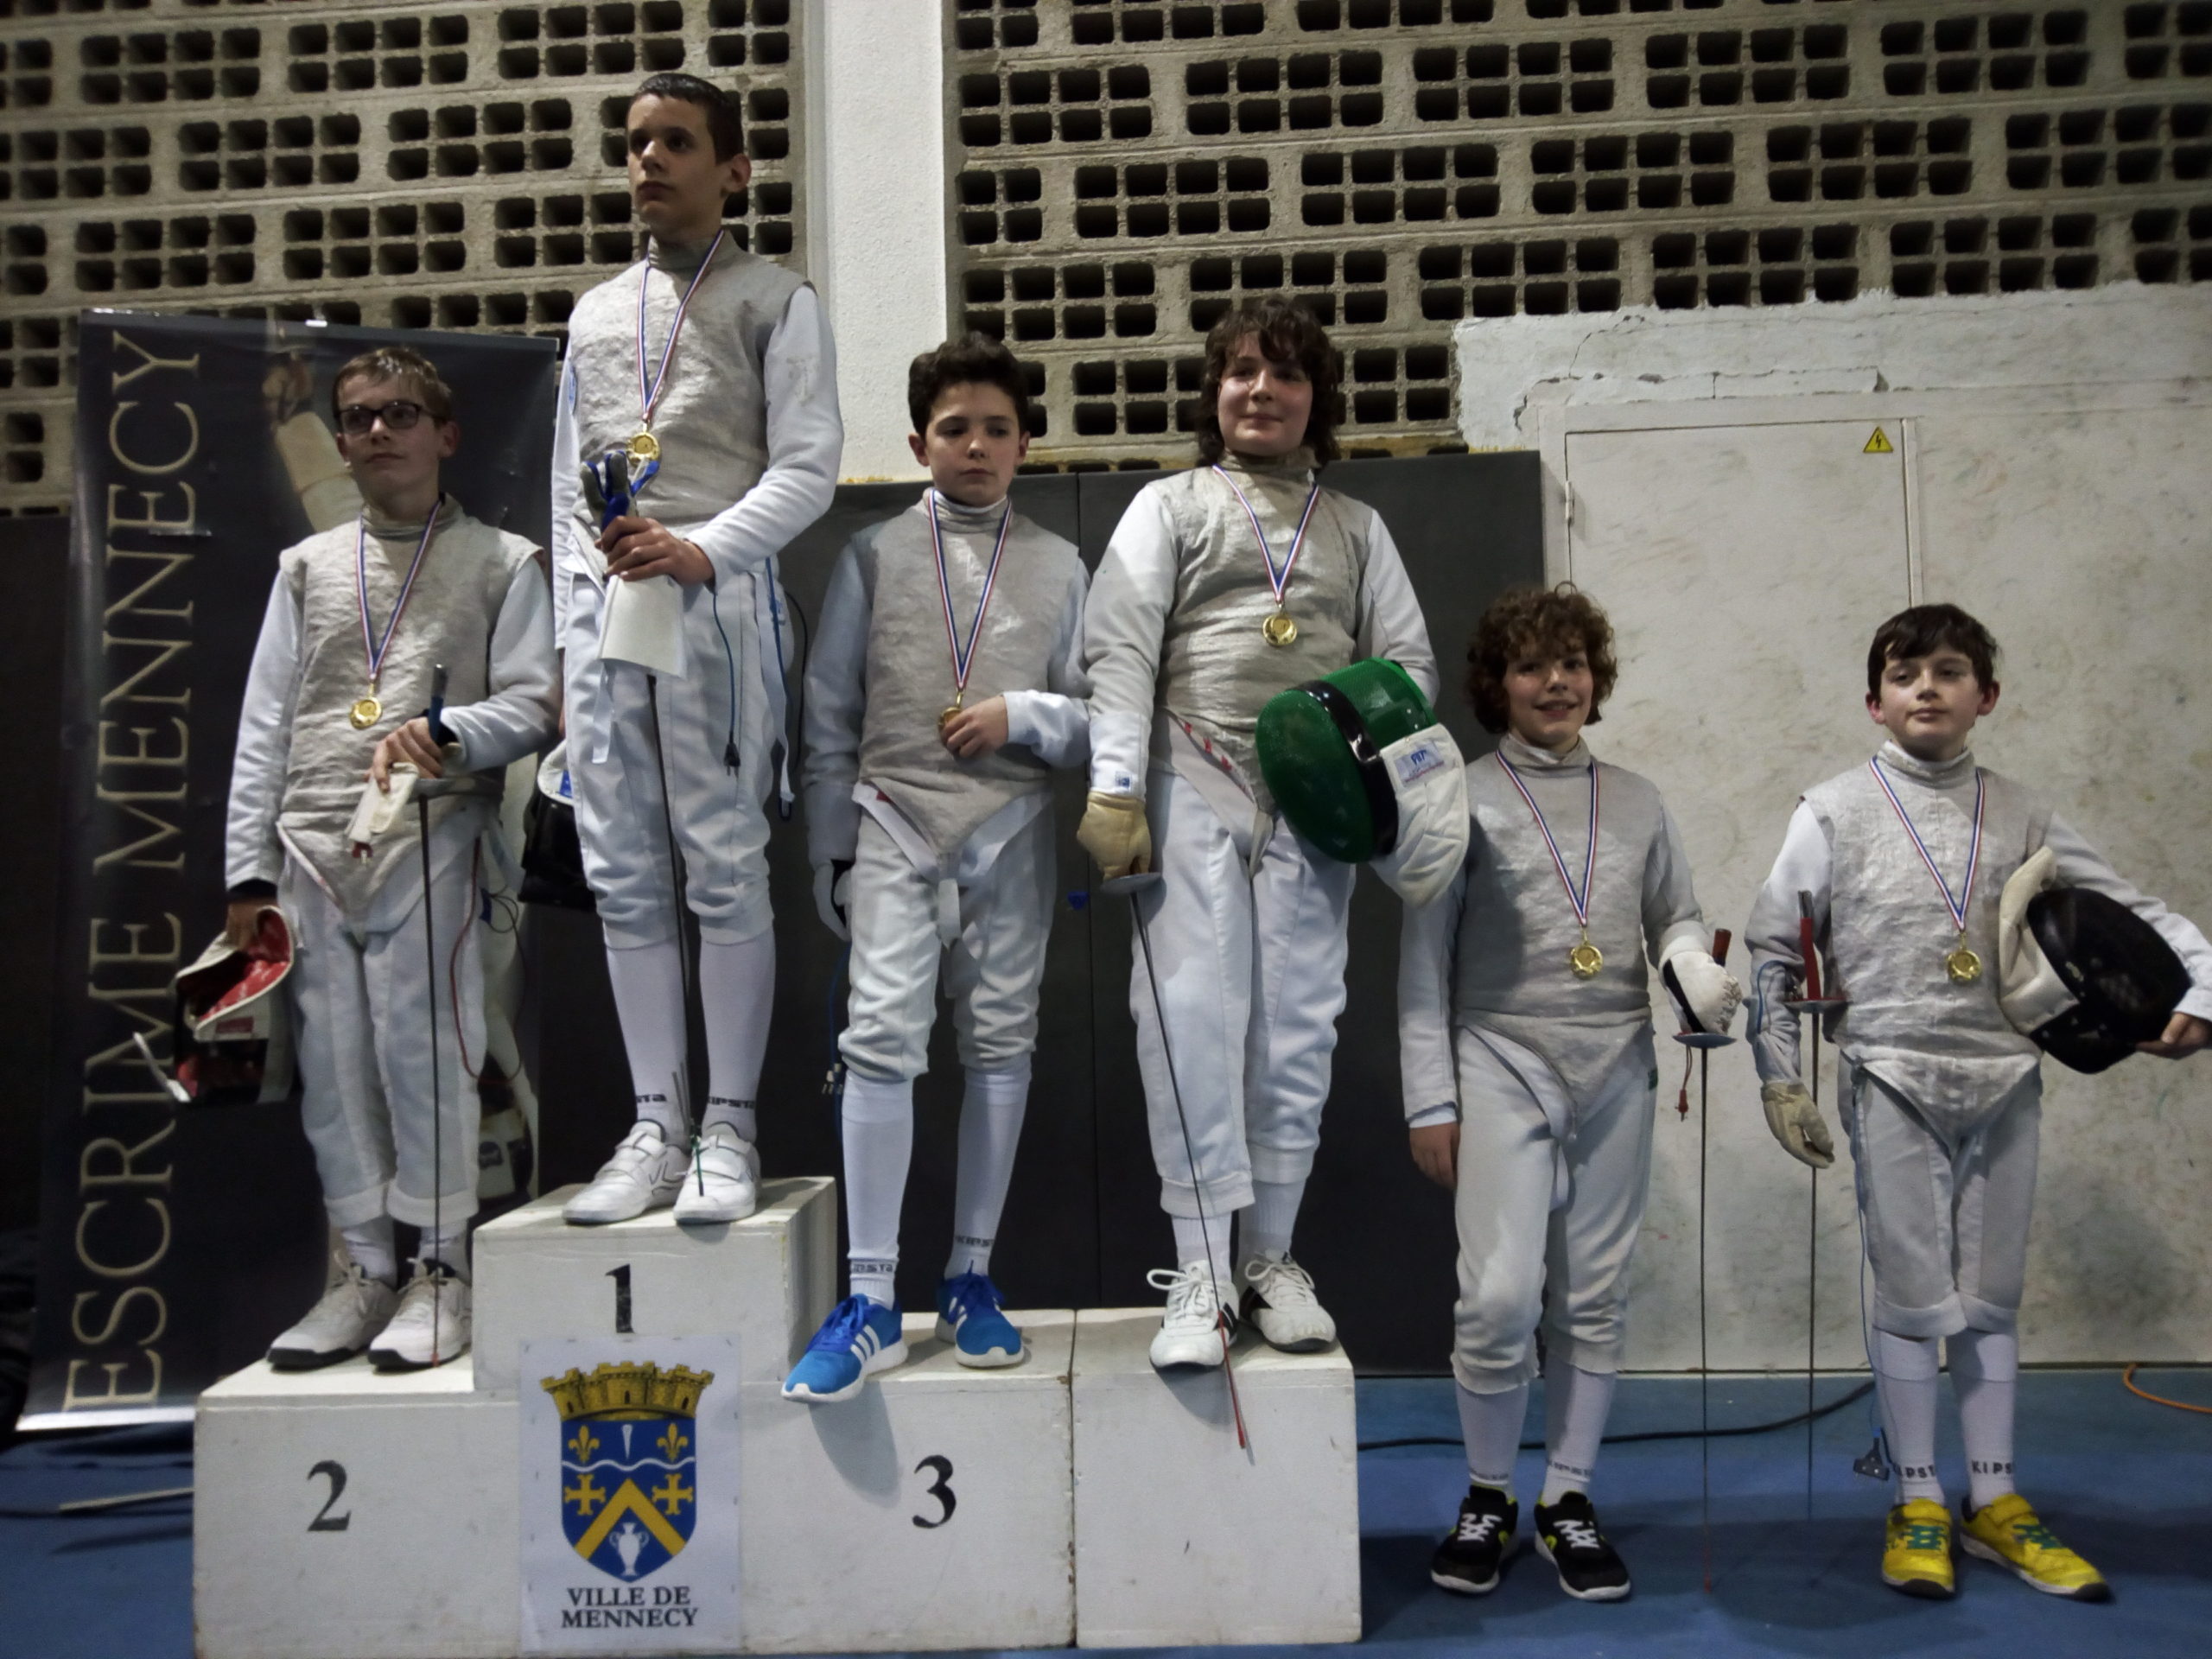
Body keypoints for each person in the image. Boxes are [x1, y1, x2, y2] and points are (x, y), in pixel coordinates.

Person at [1746, 602, 2212, 1602]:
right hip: (1891, 1074)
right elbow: (1775, 951)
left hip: (2003, 1078)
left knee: (1991, 1294)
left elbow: (2137, 912)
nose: (1927, 688)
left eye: (1949, 672)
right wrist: (1779, 1078)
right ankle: (1918, 1497)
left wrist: (2203, 992)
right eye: (1904, 674)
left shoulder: (2026, 813)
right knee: (1915, 1295)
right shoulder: (1829, 812)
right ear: (1873, 702)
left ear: (1985, 696)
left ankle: (1993, 1501)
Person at [1080, 296, 1436, 1370]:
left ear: (1315, 398)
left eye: (1285, 374)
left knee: (1294, 1031)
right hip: (1190, 775)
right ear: (1215, 391)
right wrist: (1115, 788)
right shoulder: (1170, 504)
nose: (1262, 391)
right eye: (1242, 371)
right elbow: (1119, 648)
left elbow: (1408, 671)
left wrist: (1356, 774)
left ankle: (1268, 1260)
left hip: (1311, 810)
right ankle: (1198, 1270)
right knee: (1190, 1020)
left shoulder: (1358, 528)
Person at [1400, 584, 1739, 1603]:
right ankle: (1488, 1492)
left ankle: (1568, 1496)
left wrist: (1689, 966)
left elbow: (1675, 915)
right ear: (1496, 685)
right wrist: (1429, 1101)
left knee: (1592, 1295)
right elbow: (1422, 962)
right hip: (1499, 1055)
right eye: (1532, 666)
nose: (1556, 682)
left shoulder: (1636, 799)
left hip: (1615, 1062)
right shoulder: (1457, 797)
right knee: (1499, 1298)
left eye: (1573, 664)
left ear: (1596, 678)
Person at [226, 344, 559, 1370]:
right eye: (360, 417)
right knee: (334, 1073)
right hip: (313, 845)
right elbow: (264, 725)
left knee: (425, 1057)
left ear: (445, 434)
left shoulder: (503, 561)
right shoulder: (306, 569)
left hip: (432, 837)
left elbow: (536, 703)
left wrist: (451, 731)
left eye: (401, 414)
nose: (379, 432)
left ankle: (443, 1271)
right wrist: (246, 872)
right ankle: (364, 1270)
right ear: (340, 441)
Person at [553, 72, 842, 1226]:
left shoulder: (776, 299)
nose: (649, 161)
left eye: (676, 142)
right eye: (636, 142)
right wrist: (575, 623)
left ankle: (730, 1124)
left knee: (720, 865)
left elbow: (809, 467)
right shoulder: (591, 314)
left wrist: (701, 550)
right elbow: (569, 488)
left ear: (733, 169)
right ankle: (655, 1125)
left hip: (714, 605)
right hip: (607, 613)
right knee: (623, 870)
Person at [780, 336, 1090, 1402]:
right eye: (955, 429)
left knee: (1001, 1041)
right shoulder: (871, 554)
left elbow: (1099, 717)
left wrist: (1023, 715)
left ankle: (969, 1277)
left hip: (1010, 829)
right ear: (919, 444)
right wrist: (831, 846)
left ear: (1025, 443)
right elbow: (829, 710)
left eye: (997, 429)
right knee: (879, 1041)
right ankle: (870, 1297)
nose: (977, 446)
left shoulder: (1059, 564)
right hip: (894, 822)